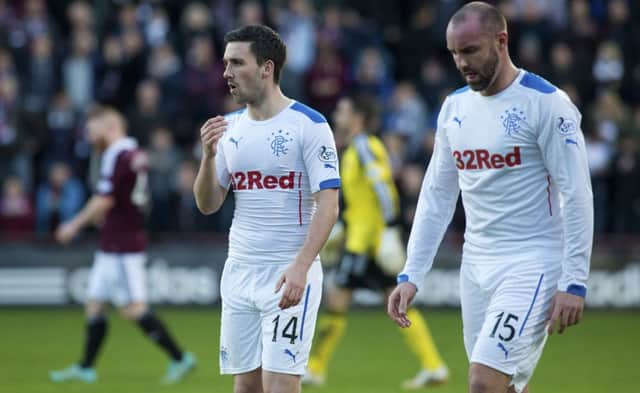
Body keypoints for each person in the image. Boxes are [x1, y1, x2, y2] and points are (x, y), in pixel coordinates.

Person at [387, 3, 593, 393]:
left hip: (532, 262)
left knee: (483, 381)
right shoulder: (454, 108)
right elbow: (436, 195)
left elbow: (577, 192)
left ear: (502, 41)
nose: (462, 63)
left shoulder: (547, 104)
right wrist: (412, 273)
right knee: (507, 385)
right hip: (475, 265)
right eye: (454, 54)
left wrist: (574, 280)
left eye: (470, 51)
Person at [193, 25, 340, 393]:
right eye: (225, 63)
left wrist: (301, 266)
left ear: (266, 68)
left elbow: (329, 205)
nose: (226, 72)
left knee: (280, 386)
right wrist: (208, 158)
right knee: (245, 387)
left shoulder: (309, 125)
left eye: (236, 63)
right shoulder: (228, 128)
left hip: (287, 273)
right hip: (240, 271)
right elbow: (208, 204)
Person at [303, 94, 448, 389]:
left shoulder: (363, 147)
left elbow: (383, 188)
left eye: (343, 109)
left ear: (357, 117)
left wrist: (392, 226)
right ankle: (433, 366)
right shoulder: (360, 148)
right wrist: (342, 229)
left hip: (365, 244)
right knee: (394, 301)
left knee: (338, 299)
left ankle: (315, 368)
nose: (338, 114)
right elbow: (362, 201)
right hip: (362, 238)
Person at [49, 106, 195, 384]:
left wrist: (73, 225)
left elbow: (105, 200)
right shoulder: (135, 154)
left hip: (123, 244)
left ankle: (180, 358)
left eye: (93, 131)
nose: (90, 137)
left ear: (110, 127)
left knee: (133, 308)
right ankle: (85, 367)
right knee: (94, 305)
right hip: (113, 241)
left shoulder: (117, 154)